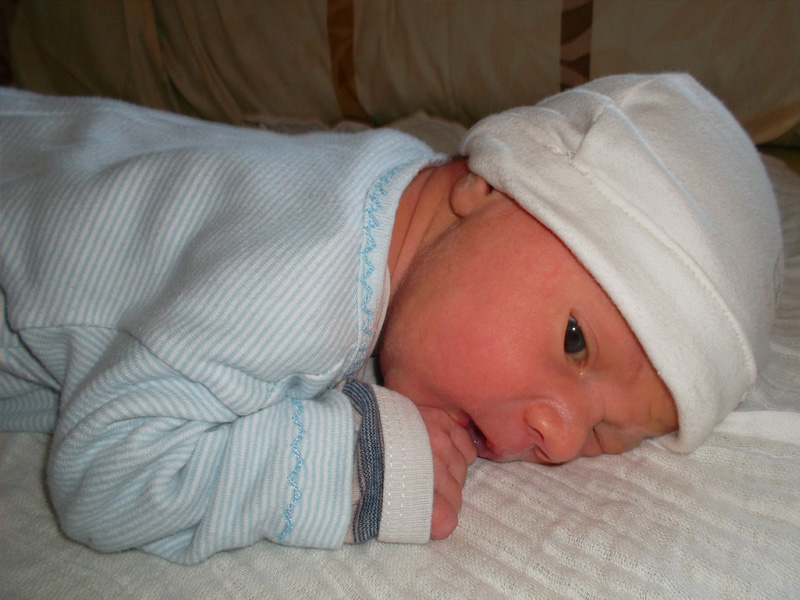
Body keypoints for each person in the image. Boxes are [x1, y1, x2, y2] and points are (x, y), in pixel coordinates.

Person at [0, 73, 783, 564]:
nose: (561, 436)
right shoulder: (299, 282)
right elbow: (107, 476)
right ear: (487, 185)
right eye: (576, 342)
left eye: (608, 434)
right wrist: (360, 464)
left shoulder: (385, 188)